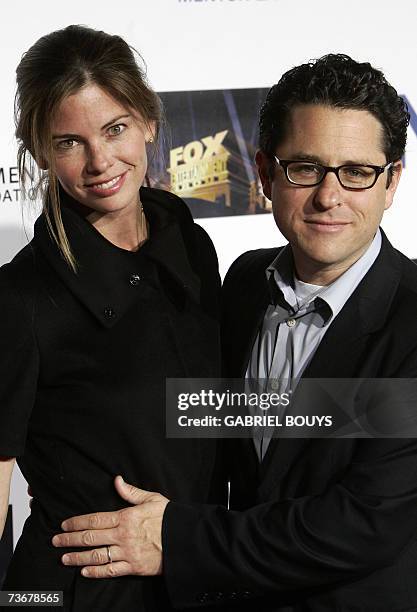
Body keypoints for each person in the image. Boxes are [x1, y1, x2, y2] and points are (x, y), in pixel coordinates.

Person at [54, 54, 417, 611]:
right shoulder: (244, 281)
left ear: (392, 181)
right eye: (305, 167)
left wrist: (174, 538)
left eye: (357, 172)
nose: (329, 196)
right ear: (266, 172)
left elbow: (361, 522)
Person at [0, 24, 222, 611]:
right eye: (69, 142)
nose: (100, 161)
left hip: (197, 571)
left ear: (148, 121)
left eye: (115, 128)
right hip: (73, 589)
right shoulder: (19, 298)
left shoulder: (189, 242)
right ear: (42, 152)